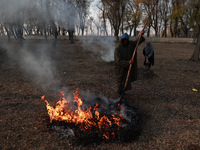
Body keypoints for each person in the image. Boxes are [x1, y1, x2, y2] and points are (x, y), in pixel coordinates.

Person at [114, 30, 145, 96]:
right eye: (124, 40)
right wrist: (128, 62)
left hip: (128, 66)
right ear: (122, 40)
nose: (125, 41)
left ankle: (123, 92)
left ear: (128, 40)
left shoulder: (130, 44)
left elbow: (137, 42)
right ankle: (118, 94)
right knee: (120, 80)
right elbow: (118, 61)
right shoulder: (118, 48)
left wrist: (141, 35)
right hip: (121, 68)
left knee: (126, 80)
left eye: (126, 40)